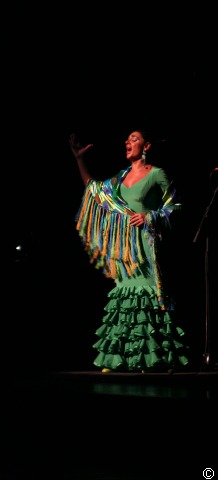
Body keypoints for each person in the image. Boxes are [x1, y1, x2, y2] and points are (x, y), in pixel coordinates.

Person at [69, 128, 190, 372]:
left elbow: (176, 207)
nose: (127, 141)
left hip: (145, 247)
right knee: (125, 298)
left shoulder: (157, 174)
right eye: (127, 139)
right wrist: (79, 159)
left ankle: (150, 359)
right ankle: (120, 358)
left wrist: (149, 216)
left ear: (146, 146)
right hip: (124, 249)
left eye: (134, 139)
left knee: (145, 298)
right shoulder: (119, 179)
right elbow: (94, 191)